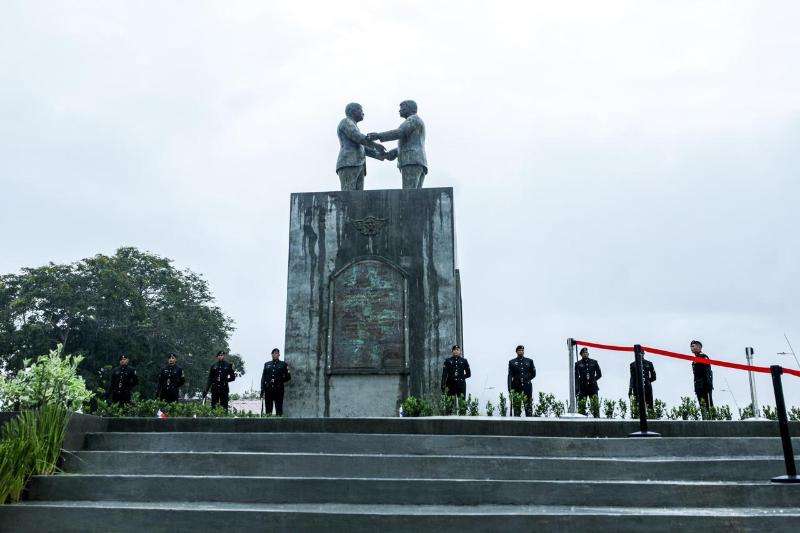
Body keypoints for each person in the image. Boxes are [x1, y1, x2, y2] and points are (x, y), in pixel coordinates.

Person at [366, 100, 427, 189]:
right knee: (415, 196)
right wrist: (395, 152)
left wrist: (378, 135)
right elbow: (412, 143)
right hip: (417, 161)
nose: (399, 110)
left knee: (408, 194)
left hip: (411, 161)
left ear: (409, 108)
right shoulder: (416, 121)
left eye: (402, 108)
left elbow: (399, 132)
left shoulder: (413, 119)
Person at [336, 102, 388, 190]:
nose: (362, 113)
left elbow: (361, 147)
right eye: (360, 110)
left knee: (359, 196)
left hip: (358, 164)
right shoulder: (346, 122)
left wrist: (379, 155)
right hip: (348, 162)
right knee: (348, 193)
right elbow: (357, 137)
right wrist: (375, 145)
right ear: (352, 111)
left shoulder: (353, 124)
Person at [260, 348, 291, 416]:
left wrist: (279, 381)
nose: (275, 355)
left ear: (279, 354)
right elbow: (263, 378)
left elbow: (288, 377)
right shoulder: (267, 364)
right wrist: (262, 389)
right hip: (268, 389)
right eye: (274, 353)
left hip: (279, 390)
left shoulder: (283, 364)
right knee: (268, 409)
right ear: (272, 354)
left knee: (279, 409)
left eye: (277, 353)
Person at [507, 345, 536, 416]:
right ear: (516, 352)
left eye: (522, 350)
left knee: (528, 407)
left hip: (527, 387)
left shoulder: (529, 361)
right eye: (519, 350)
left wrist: (527, 379)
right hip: (516, 387)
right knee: (517, 407)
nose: (521, 352)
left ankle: (529, 423)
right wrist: (510, 388)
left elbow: (533, 373)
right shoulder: (512, 362)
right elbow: (510, 375)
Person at [690, 340, 714, 412]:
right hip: (699, 386)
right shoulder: (695, 360)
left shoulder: (703, 357)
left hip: (705, 386)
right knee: (702, 407)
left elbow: (708, 372)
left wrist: (708, 385)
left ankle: (710, 422)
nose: (691, 348)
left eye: (693, 346)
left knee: (708, 407)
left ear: (699, 347)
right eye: (691, 346)